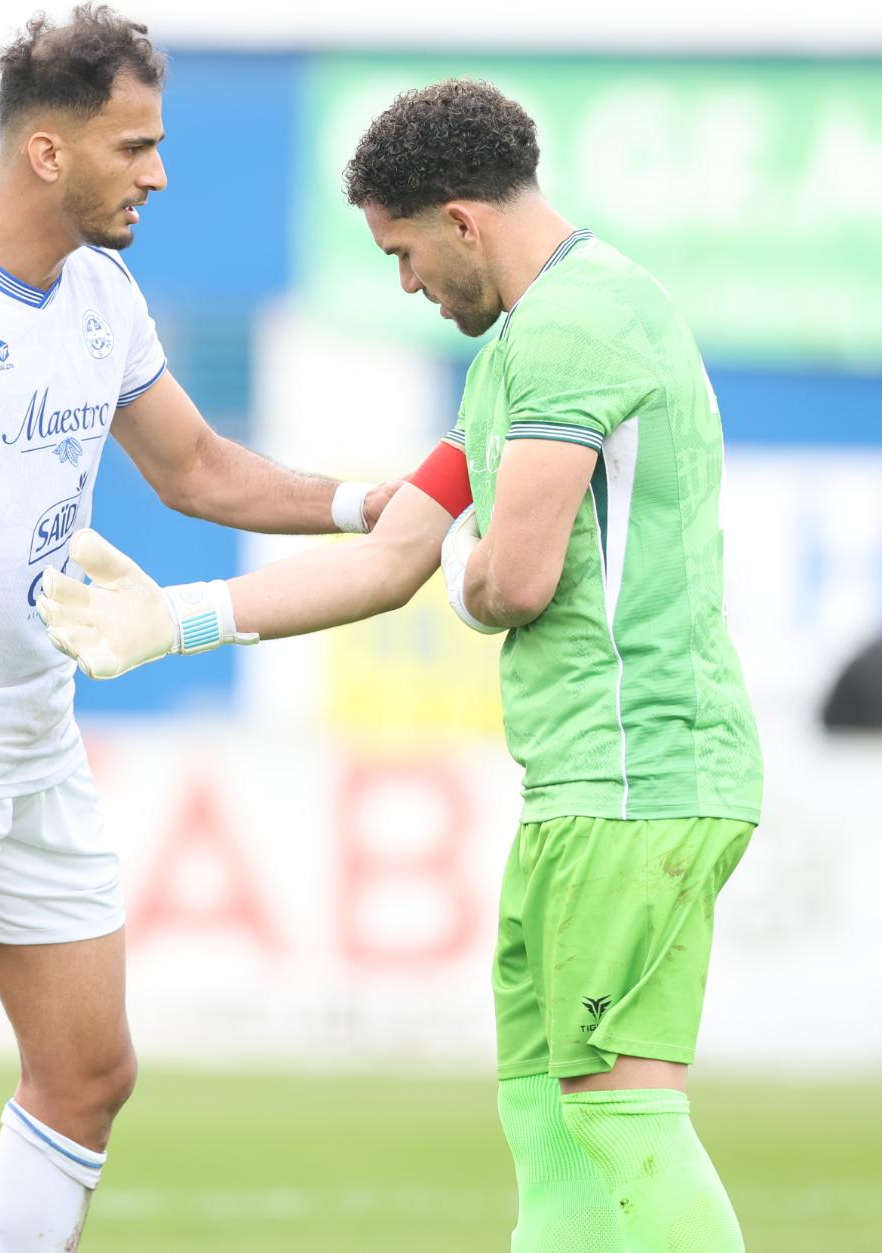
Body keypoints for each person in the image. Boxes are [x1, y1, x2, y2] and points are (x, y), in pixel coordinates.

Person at [39, 77, 763, 1253]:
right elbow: (389, 558)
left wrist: (471, 572)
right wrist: (174, 618)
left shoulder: (578, 325)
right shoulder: (516, 351)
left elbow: (507, 579)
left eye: (403, 251)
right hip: (581, 782)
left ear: (461, 222)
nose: (406, 283)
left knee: (619, 1111)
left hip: (639, 774)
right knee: (548, 1117)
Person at [0, 7, 394, 1251]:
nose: (157, 174)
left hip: (39, 738)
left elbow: (197, 469)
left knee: (90, 1071)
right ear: (47, 152)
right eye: (133, 146)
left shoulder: (101, 291)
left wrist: (374, 504)